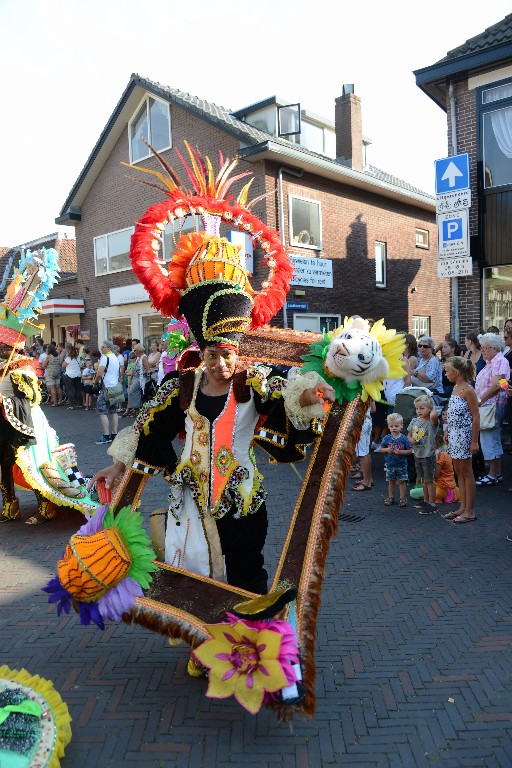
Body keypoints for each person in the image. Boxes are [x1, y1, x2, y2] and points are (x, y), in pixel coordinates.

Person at [442, 356, 479, 522]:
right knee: (458, 472)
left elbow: (476, 416)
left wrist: (474, 441)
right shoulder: (456, 387)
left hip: (464, 435)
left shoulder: (468, 390)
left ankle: (469, 510)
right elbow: (453, 413)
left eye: (447, 371)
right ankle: (463, 507)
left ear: (456, 372)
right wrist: (448, 429)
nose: (446, 374)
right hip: (455, 434)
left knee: (466, 472)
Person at [474, 332, 510, 486]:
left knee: (490, 439)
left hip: (491, 405)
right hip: (488, 405)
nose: (482, 351)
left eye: (484, 348)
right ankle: (496, 473)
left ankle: (493, 474)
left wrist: (480, 400)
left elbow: (498, 385)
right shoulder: (492, 362)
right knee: (491, 439)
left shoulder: (500, 361)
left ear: (494, 348)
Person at [408, 394, 439, 514]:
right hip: (417, 454)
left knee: (429, 480)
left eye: (422, 408)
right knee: (422, 480)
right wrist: (411, 440)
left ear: (430, 408)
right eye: (417, 408)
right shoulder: (414, 421)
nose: (419, 411)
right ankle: (425, 501)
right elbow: (409, 435)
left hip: (427, 455)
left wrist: (433, 409)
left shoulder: (431, 422)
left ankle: (432, 503)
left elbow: (435, 416)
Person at [380, 413, 412, 507]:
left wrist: (401, 452)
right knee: (391, 481)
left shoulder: (404, 438)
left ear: (401, 426)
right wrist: (386, 450)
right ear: (388, 427)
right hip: (390, 464)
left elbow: (410, 450)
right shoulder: (386, 438)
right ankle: (390, 497)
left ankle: (402, 498)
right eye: (391, 426)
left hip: (401, 464)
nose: (394, 428)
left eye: (396, 426)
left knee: (402, 481)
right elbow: (381, 449)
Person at [93, 340, 121, 444]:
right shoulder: (115, 357)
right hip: (115, 386)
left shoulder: (105, 358)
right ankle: (114, 434)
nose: (101, 349)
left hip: (106, 387)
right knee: (113, 411)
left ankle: (106, 435)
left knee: (102, 410)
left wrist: (95, 382)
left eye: (103, 347)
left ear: (108, 348)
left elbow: (100, 373)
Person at [351, 402, 375, 491]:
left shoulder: (356, 390)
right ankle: (369, 479)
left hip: (360, 422)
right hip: (368, 420)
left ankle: (366, 482)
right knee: (365, 452)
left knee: (362, 454)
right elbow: (373, 409)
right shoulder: (370, 389)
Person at [62, 343, 82, 409]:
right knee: (78, 390)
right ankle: (80, 404)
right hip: (78, 375)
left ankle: (71, 405)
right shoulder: (78, 358)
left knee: (70, 390)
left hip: (70, 375)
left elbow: (63, 365)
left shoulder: (68, 358)